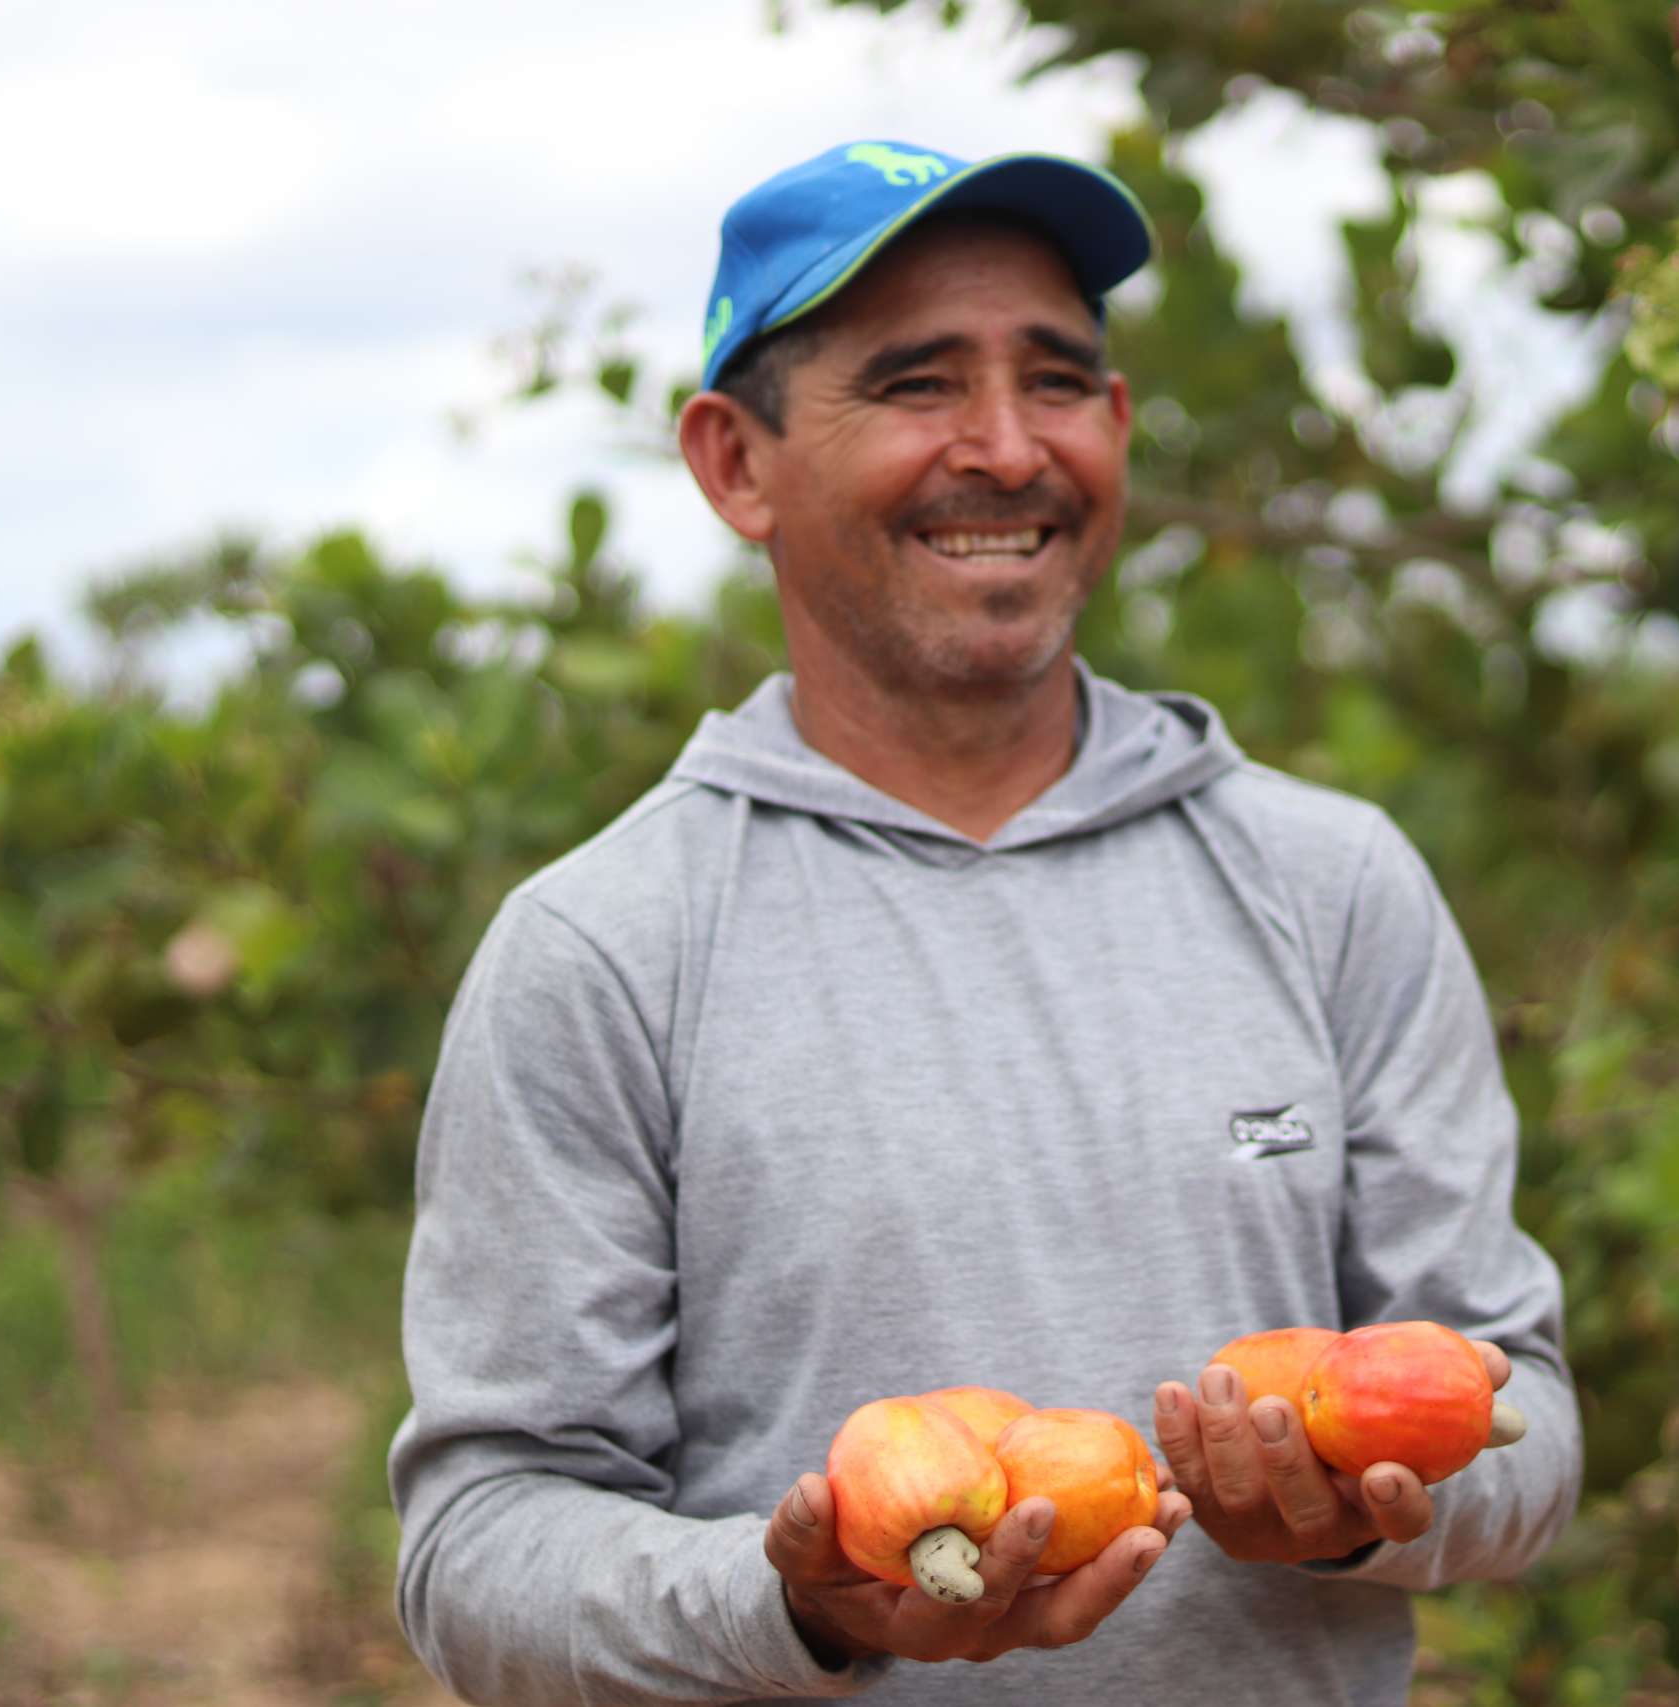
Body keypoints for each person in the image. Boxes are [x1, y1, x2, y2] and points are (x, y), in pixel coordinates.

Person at [388, 138, 1582, 1706]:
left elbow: (1524, 1416)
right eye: (917, 384)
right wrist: (801, 1602)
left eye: (1060, 380)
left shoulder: (1331, 883)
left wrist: (1360, 1517)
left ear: (1120, 426)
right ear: (736, 462)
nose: (1009, 449)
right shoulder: (607, 950)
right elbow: (478, 1550)